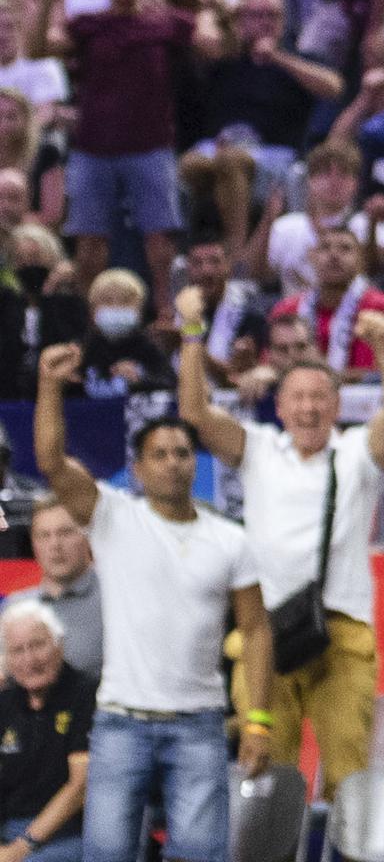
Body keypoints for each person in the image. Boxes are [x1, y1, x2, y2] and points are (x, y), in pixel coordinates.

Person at [32, 345, 270, 862]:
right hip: (121, 722)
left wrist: (257, 721)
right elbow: (51, 462)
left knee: (202, 856)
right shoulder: (113, 516)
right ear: (136, 470)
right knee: (108, 855)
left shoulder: (231, 539)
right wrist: (50, 386)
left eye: (182, 453)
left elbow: (256, 630)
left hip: (200, 723)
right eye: (158, 455)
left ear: (195, 462)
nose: (172, 464)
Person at [174, 280, 384, 791]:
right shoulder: (258, 448)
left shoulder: (356, 453)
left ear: (337, 404)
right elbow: (194, 412)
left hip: (341, 631)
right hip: (265, 635)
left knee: (349, 777)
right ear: (278, 407)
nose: (308, 408)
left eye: (320, 397)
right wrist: (192, 333)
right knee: (265, 779)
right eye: (297, 398)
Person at [0, 603, 89, 862]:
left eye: (38, 645)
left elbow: (80, 787)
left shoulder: (85, 694)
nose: (29, 660)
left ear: (59, 645)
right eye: (17, 650)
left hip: (66, 835)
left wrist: (20, 848)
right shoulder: (6, 703)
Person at [3, 500, 100, 680]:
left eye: (65, 533)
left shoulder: (115, 598)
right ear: (33, 543)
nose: (55, 544)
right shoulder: (15, 607)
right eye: (44, 535)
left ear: (87, 535)